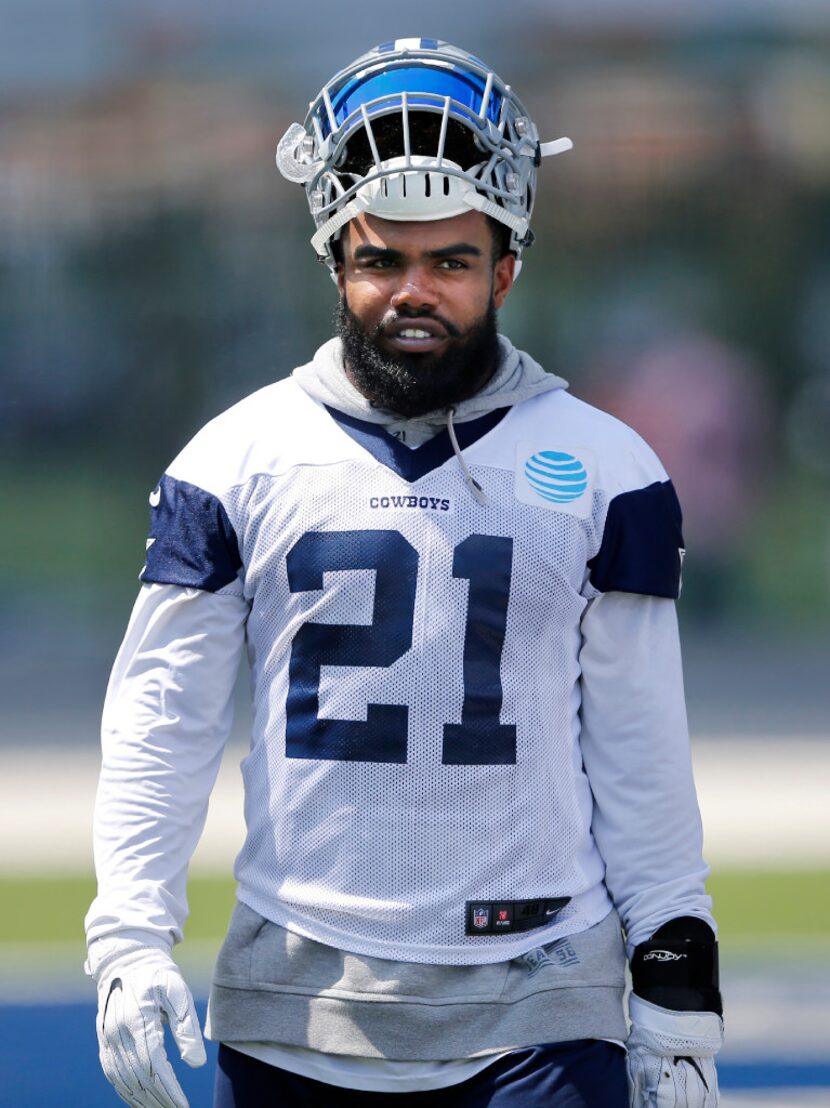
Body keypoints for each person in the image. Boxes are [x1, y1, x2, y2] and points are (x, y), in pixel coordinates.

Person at [85, 38, 724, 1108]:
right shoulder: (234, 458)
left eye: (451, 261)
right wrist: (128, 935)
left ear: (506, 266)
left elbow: (637, 742)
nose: (412, 292)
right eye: (383, 259)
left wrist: (673, 961)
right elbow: (163, 718)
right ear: (334, 259)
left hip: (542, 1003)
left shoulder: (607, 468)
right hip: (299, 1007)